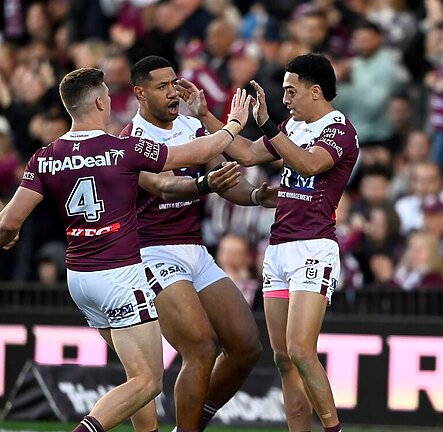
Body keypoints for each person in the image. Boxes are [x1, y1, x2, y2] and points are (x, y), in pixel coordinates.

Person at [0, 67, 252, 432]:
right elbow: (198, 150)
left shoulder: (45, 157)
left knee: (135, 376)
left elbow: (8, 222)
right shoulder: (123, 149)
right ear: (101, 101)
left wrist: (7, 238)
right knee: (148, 381)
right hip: (120, 274)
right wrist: (232, 126)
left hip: (80, 280)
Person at [177, 52, 359, 432]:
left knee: (300, 350)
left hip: (314, 246)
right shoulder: (293, 125)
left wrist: (268, 125)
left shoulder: (339, 130)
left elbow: (310, 165)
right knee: (283, 359)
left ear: (316, 91)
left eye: (291, 91)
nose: (286, 98)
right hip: (278, 249)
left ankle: (334, 429)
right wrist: (205, 115)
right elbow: (244, 152)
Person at [120, 55, 275, 432]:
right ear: (140, 93)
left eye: (174, 83)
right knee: (201, 349)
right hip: (152, 252)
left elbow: (227, 179)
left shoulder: (192, 127)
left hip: (194, 249)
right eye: (162, 87)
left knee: (245, 347)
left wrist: (256, 196)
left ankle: (191, 422)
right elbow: (167, 185)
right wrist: (206, 184)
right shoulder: (130, 140)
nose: (173, 92)